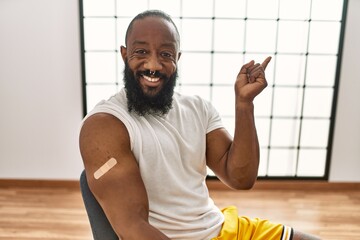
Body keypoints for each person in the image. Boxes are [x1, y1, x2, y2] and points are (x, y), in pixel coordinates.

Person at [79, 9, 320, 240]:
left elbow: (241, 178)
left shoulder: (198, 108)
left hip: (222, 228)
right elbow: (133, 229)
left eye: (165, 54)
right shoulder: (104, 126)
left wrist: (244, 104)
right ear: (124, 54)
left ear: (178, 58)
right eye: (141, 52)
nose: (153, 65)